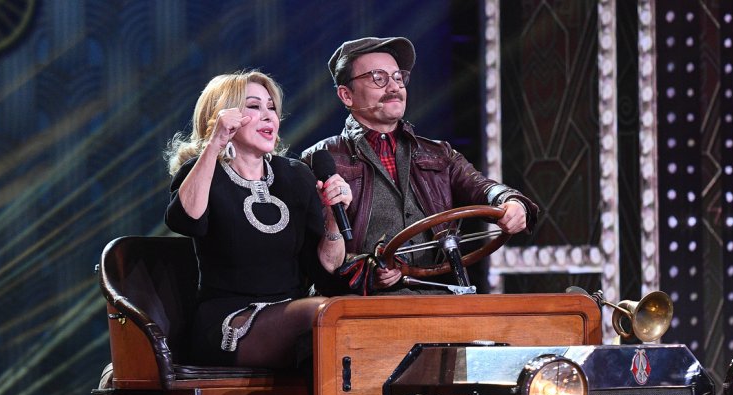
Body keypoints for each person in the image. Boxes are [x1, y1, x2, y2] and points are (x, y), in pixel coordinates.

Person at [302, 36, 538, 294]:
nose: (394, 87)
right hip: (360, 305)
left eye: (398, 77)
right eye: (378, 77)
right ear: (346, 95)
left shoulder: (439, 153)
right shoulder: (320, 159)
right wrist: (367, 272)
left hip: (440, 299)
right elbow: (312, 254)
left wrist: (512, 202)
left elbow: (485, 188)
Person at [164, 70, 350, 367]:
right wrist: (214, 144)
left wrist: (332, 218)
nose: (268, 116)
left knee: (344, 317)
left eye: (272, 108)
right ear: (224, 117)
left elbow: (325, 267)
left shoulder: (296, 175)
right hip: (229, 320)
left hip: (296, 312)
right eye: (253, 106)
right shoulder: (202, 172)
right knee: (319, 315)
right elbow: (186, 220)